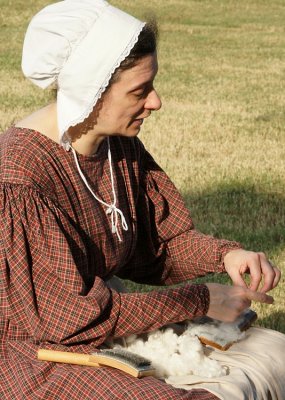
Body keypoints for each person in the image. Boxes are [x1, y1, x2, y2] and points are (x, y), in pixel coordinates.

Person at [0, 1, 282, 399]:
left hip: (94, 331)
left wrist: (226, 256)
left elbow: (160, 246)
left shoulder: (118, 148)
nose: (155, 102)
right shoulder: (19, 179)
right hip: (30, 356)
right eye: (139, 90)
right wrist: (201, 298)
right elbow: (71, 320)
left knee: (277, 355)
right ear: (90, 90)